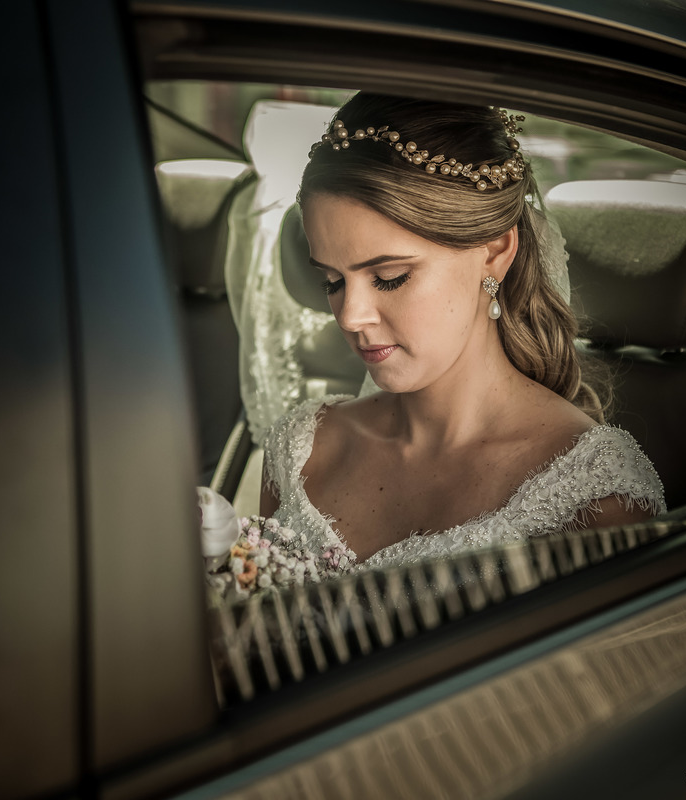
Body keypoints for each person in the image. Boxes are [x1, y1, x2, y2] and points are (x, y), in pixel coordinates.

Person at [259, 93, 664, 573]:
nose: (350, 316)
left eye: (390, 276)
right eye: (332, 281)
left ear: (494, 252)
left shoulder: (595, 495)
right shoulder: (301, 451)